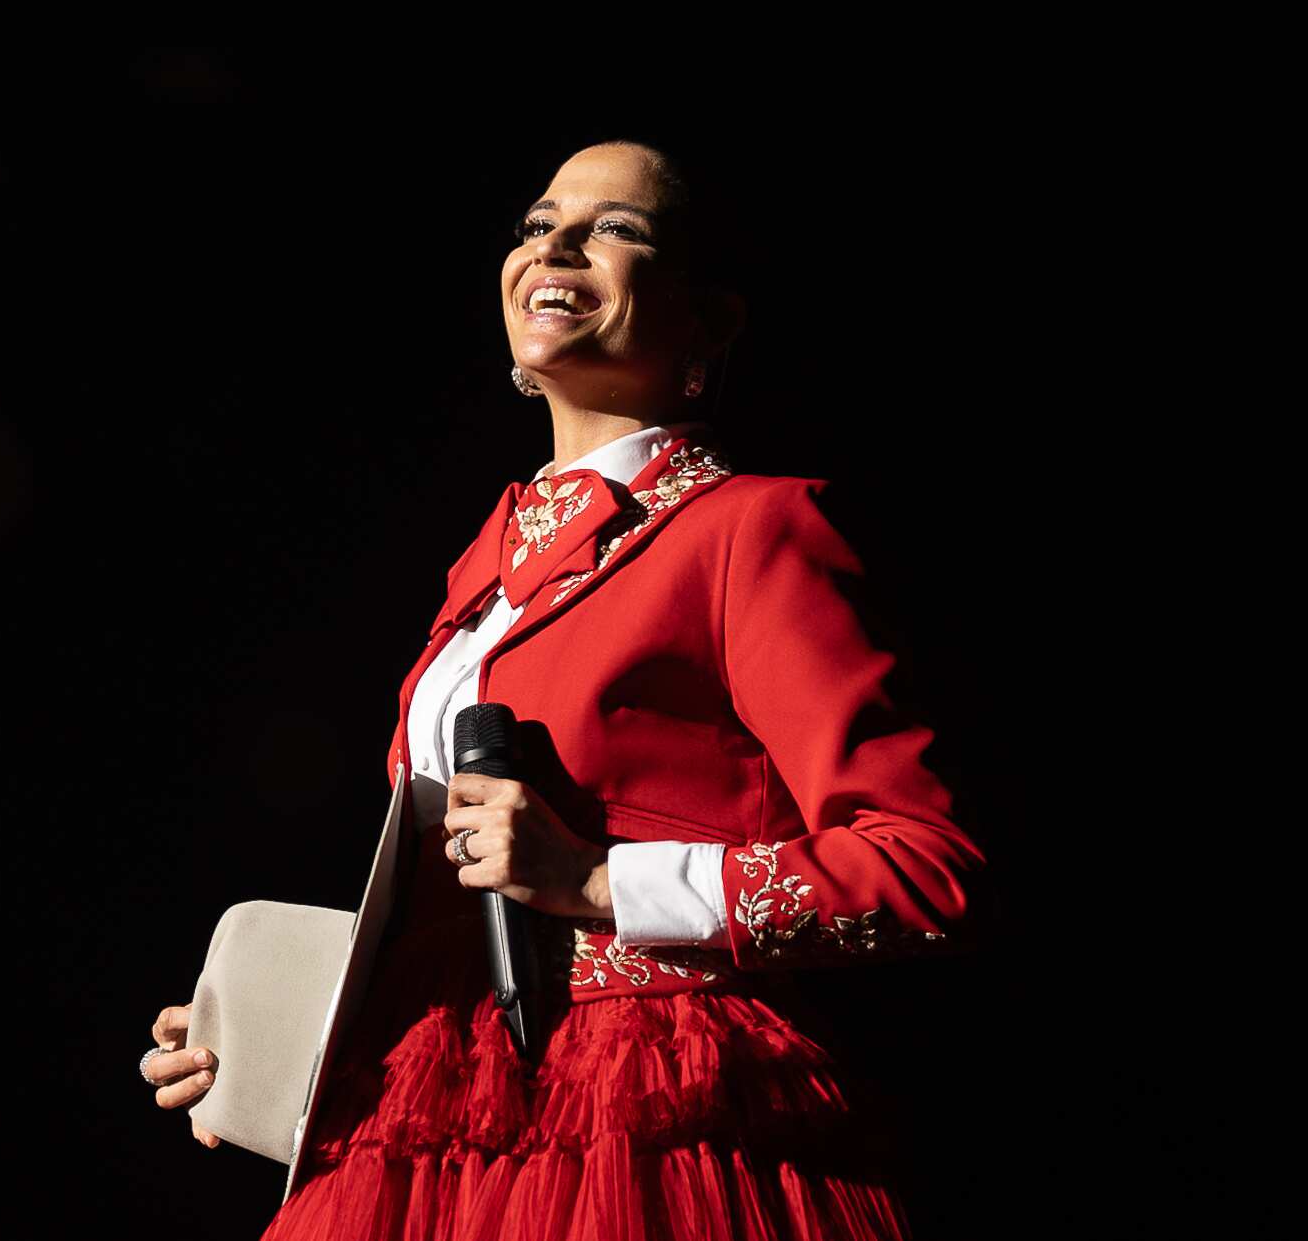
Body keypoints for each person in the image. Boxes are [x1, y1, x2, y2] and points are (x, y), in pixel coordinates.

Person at [143, 138, 986, 1239]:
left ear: (709, 321)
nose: (558, 244)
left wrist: (599, 878)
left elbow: (923, 868)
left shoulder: (749, 529)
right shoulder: (477, 574)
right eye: (538, 223)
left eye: (619, 229)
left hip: (645, 1114)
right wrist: (281, 1038)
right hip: (429, 1118)